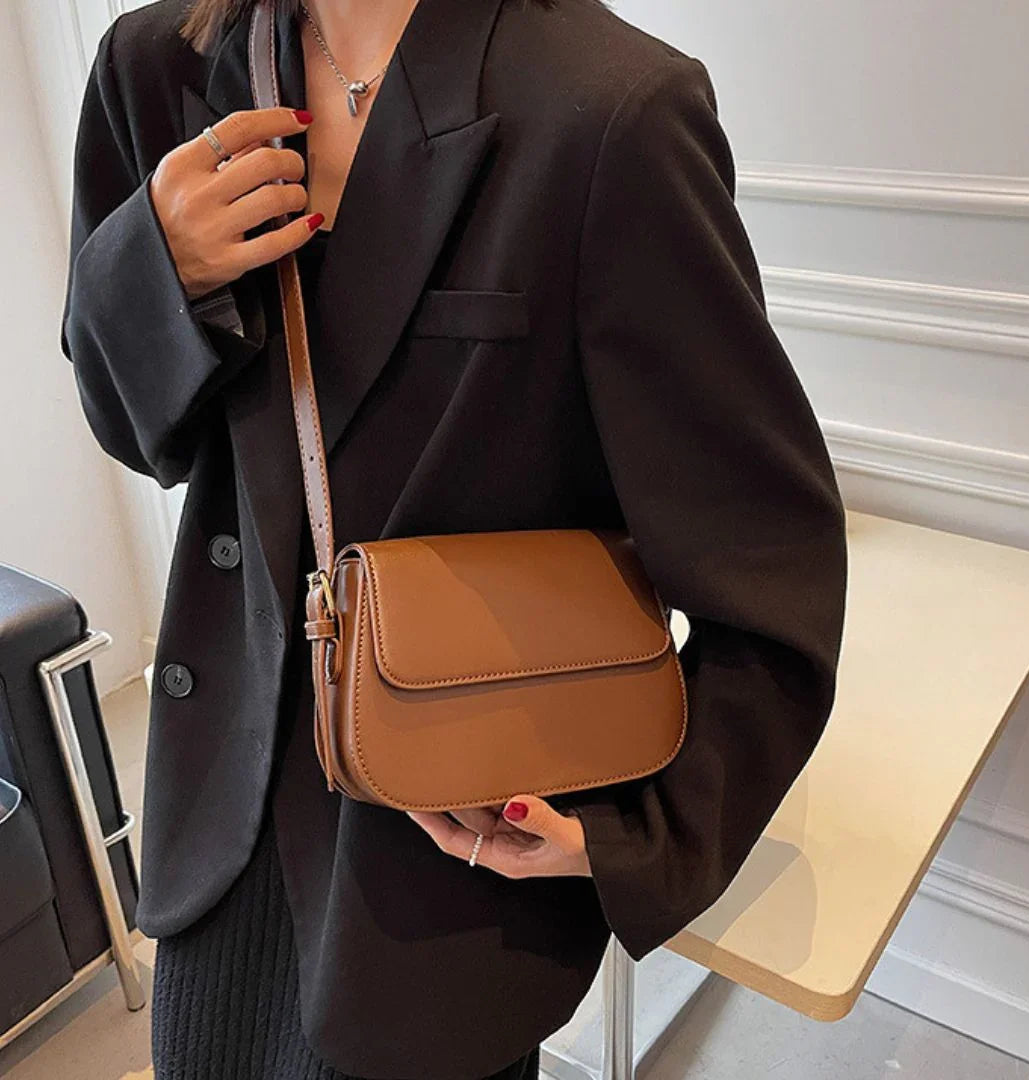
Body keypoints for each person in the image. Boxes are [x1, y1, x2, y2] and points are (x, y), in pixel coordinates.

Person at [60, 0, 849, 1077]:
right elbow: (135, 430)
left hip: (439, 861)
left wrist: (642, 829)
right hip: (220, 831)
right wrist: (157, 267)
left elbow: (768, 555)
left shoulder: (608, 111)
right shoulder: (158, 66)